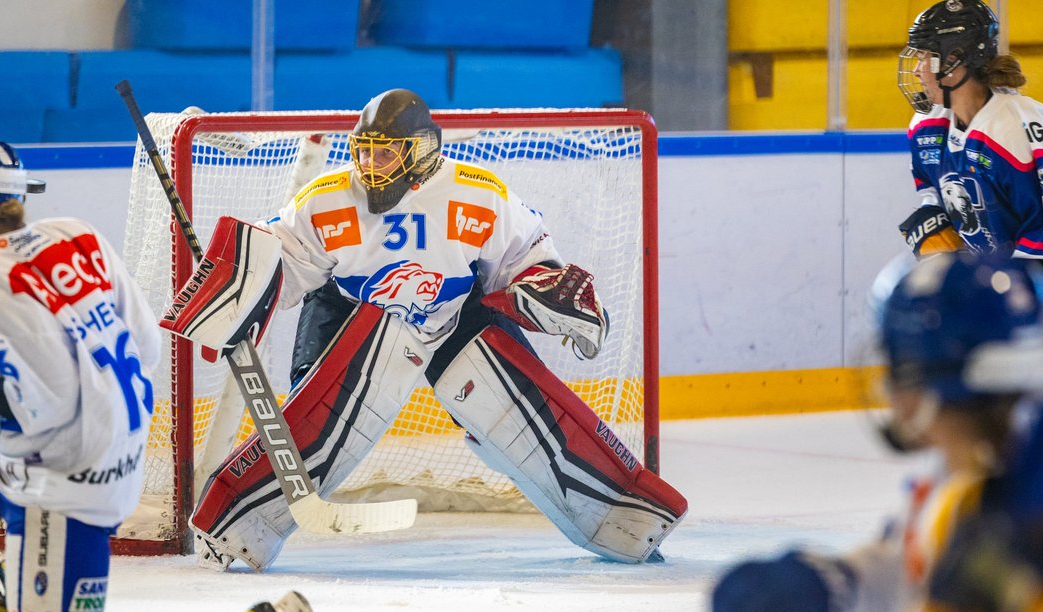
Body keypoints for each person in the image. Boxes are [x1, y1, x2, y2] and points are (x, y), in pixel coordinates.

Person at [0, 137, 337, 612]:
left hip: (60, 487)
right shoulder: (75, 234)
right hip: (108, 457)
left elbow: (45, 404)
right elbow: (143, 342)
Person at [162, 88, 688, 571]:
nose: (369, 165)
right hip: (351, 309)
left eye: (384, 153)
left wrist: (545, 286)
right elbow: (287, 259)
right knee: (312, 428)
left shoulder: (476, 195)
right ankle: (233, 530)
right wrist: (238, 287)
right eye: (363, 151)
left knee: (532, 423)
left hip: (455, 311)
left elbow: (525, 256)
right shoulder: (326, 199)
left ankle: (628, 523)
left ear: (421, 151)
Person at [710, 253, 1043, 612]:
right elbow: (911, 567)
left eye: (897, 367)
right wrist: (823, 584)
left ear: (928, 379)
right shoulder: (954, 489)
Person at [896, 0, 1043, 282]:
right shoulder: (926, 128)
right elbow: (932, 191)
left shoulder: (1016, 127)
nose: (916, 70)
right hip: (992, 289)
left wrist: (999, 283)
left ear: (954, 59)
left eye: (924, 57)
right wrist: (933, 219)